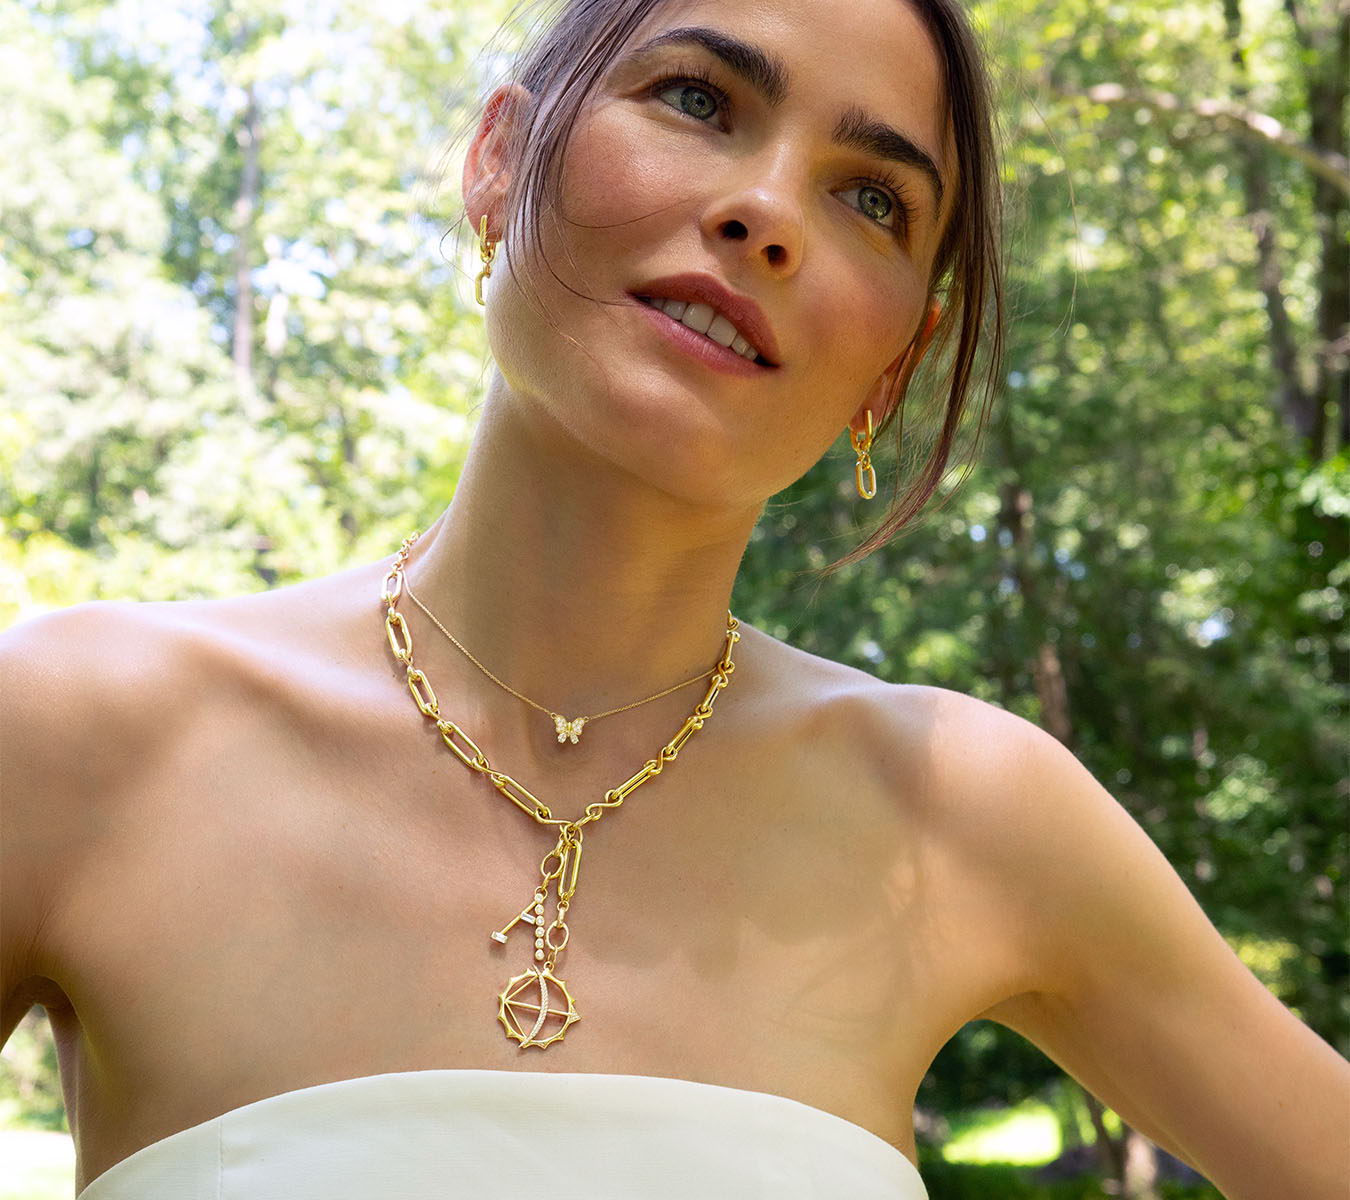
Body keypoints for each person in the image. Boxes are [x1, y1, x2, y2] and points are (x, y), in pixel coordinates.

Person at [2, 0, 1347, 1197]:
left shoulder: (961, 813)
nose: (764, 211)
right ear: (496, 160)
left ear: (895, 366)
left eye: (871, 196)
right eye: (698, 100)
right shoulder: (77, 732)